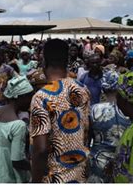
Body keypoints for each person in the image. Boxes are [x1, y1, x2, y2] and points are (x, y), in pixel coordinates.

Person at [30, 39, 91, 183]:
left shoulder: (41, 97)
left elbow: (41, 150)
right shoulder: (82, 89)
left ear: (43, 61)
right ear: (67, 60)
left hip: (55, 177)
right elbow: (88, 128)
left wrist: (35, 180)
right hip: (81, 173)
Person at [87, 68, 131, 183]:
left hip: (98, 161)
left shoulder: (94, 110)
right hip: (124, 161)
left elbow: (87, 138)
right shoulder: (129, 110)